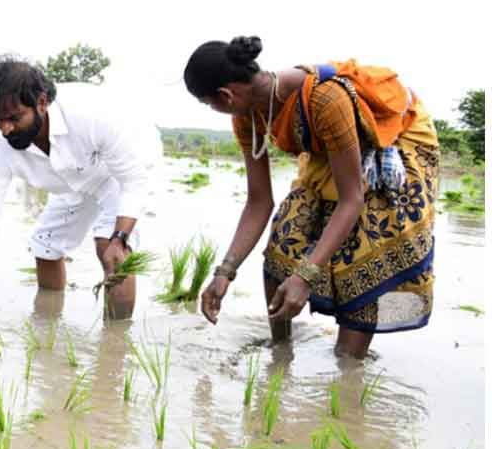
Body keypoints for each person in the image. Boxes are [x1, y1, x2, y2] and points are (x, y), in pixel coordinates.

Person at [183, 36, 439, 358]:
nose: (213, 110)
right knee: (285, 238)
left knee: (365, 248)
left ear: (225, 95)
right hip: (331, 153)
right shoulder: (246, 116)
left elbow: (351, 200)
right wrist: (224, 272)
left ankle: (349, 363)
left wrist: (306, 275)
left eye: (208, 104)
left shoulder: (324, 98)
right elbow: (259, 201)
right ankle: (280, 354)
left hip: (393, 145)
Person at [0, 55, 161, 324]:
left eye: (14, 118)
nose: (6, 129)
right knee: (45, 243)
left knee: (110, 247)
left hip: (120, 169)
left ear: (42, 103)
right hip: (74, 178)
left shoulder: (91, 116)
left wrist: (119, 238)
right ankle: (47, 326)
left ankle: (115, 342)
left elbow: (133, 181)